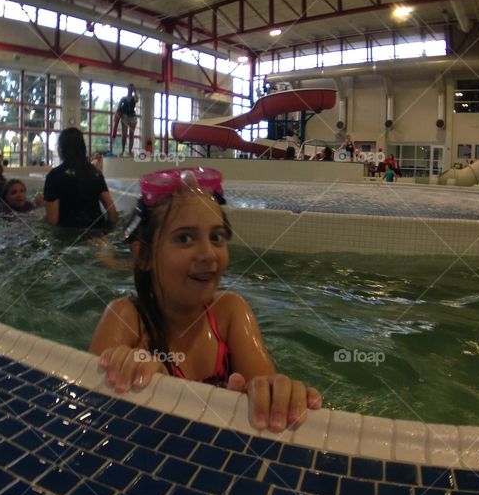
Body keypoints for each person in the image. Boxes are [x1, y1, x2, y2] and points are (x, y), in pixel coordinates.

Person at [90, 167, 322, 432]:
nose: (208, 254)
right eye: (185, 238)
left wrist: (277, 395)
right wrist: (130, 376)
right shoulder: (126, 318)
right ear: (143, 255)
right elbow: (95, 416)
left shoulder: (230, 313)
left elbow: (265, 386)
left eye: (216, 237)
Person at [43, 127, 117, 228]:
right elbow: (112, 212)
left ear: (61, 149)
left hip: (69, 235)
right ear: (83, 148)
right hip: (97, 232)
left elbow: (52, 221)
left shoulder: (54, 176)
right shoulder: (95, 173)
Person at [112, 84, 139, 155]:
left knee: (131, 135)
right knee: (124, 135)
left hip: (132, 117)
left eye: (131, 89)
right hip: (125, 117)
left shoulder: (134, 97)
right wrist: (116, 116)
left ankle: (130, 151)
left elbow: (137, 100)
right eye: (129, 89)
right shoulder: (123, 98)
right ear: (127, 89)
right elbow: (118, 108)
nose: (130, 90)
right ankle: (123, 150)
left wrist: (135, 91)